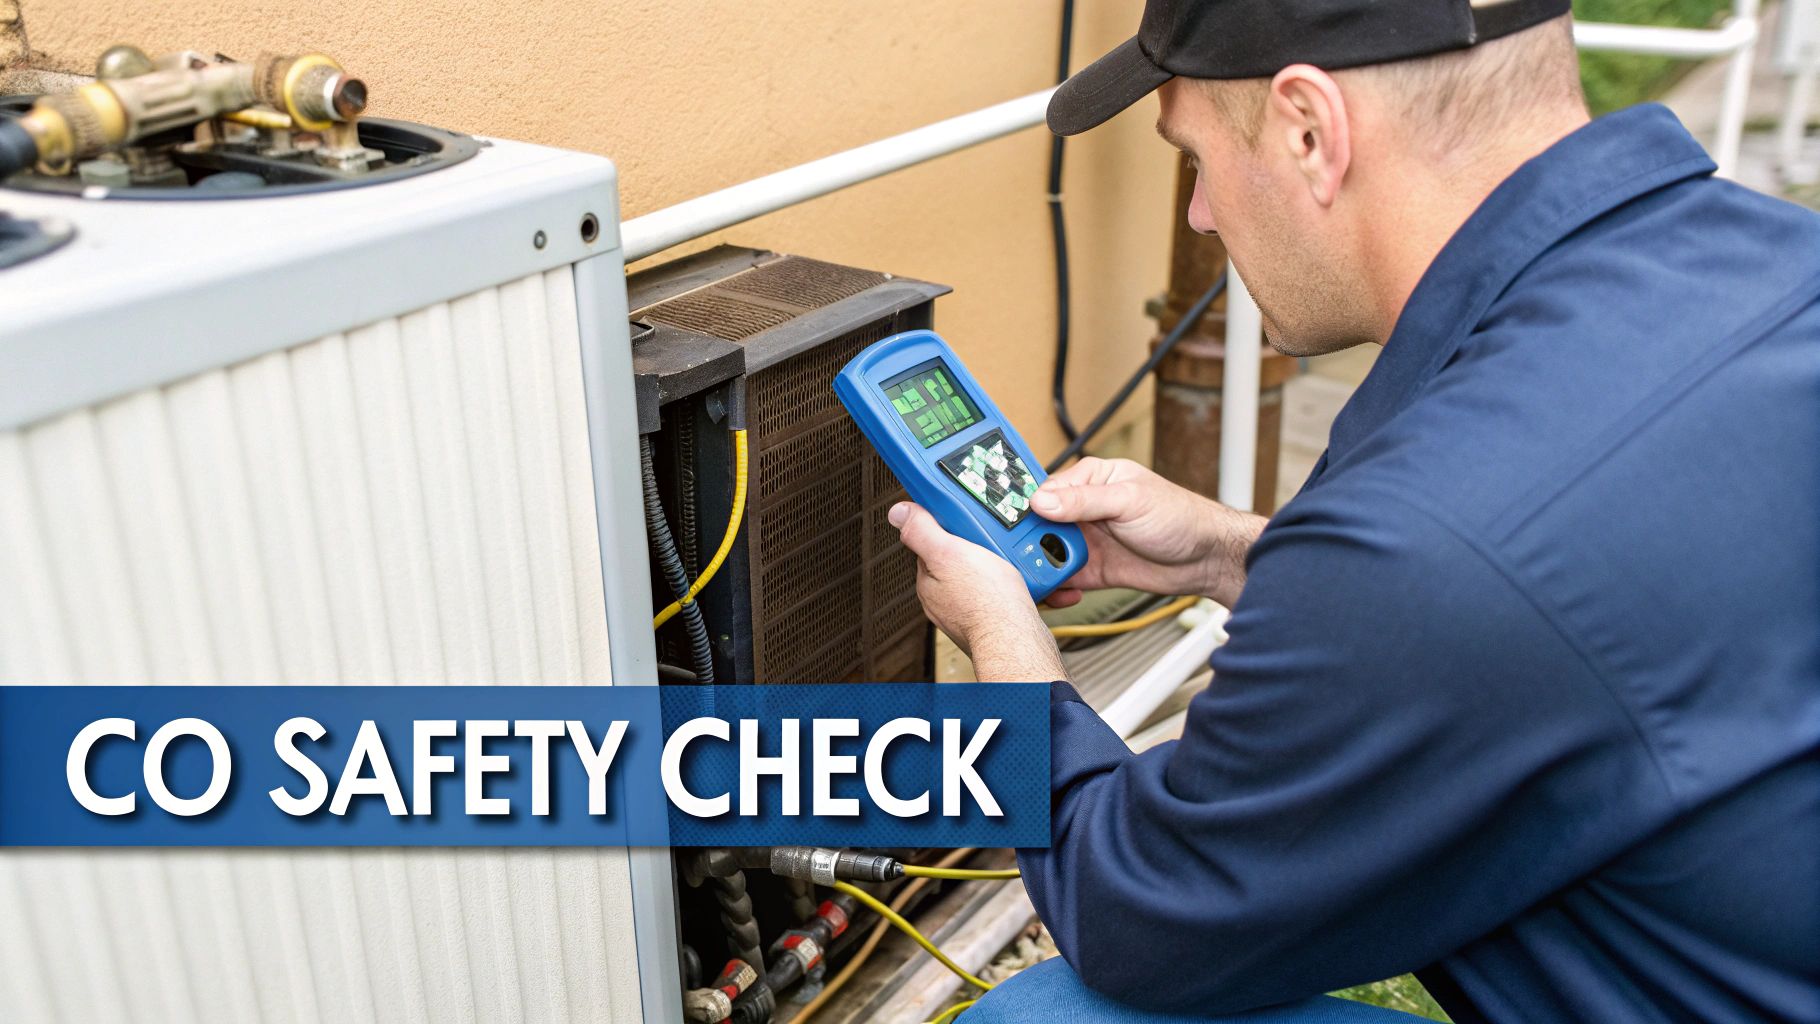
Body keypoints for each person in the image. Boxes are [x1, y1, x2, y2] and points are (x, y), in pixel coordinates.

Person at [887, 0, 1820, 1020]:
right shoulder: (1780, 264)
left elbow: (1134, 911)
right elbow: (1568, 617)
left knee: (1044, 1018)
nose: (1197, 213)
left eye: (1192, 156)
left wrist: (1005, 641)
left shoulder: (1432, 536)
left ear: (1307, 132)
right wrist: (1231, 555)